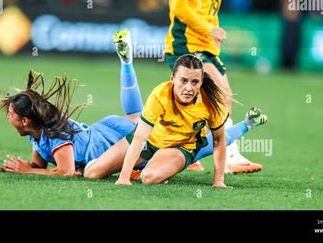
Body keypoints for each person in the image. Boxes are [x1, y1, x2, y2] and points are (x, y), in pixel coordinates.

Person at [0, 29, 267, 180]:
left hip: (113, 135)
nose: (8, 117)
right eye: (184, 81)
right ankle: (126, 63)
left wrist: (31, 172)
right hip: (111, 131)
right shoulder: (40, 137)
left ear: (26, 121)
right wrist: (23, 168)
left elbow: (64, 171)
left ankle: (246, 124)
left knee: (200, 143)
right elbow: (41, 166)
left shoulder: (55, 137)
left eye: (11, 114)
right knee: (136, 120)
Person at [84, 30, 268, 186]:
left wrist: (218, 181)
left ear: (201, 82)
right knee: (91, 173)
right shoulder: (160, 94)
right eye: (183, 81)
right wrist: (123, 177)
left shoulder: (210, 103)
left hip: (181, 147)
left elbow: (219, 141)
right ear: (173, 78)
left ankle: (247, 124)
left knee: (149, 178)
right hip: (151, 142)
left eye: (195, 82)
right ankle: (136, 165)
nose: (189, 87)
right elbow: (140, 137)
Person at [163, 0, 262, 173]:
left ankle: (182, 153)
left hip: (206, 47)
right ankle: (229, 156)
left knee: (200, 102)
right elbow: (179, 8)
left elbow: (206, 10)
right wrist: (209, 29)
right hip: (186, 45)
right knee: (221, 97)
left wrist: (213, 34)